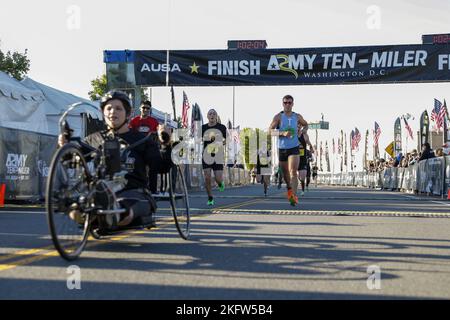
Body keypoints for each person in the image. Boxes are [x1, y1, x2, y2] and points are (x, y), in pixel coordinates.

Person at [60, 90, 162, 228]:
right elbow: (72, 162)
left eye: (118, 108)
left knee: (125, 210)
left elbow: (160, 166)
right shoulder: (94, 139)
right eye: (108, 108)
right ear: (103, 113)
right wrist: (64, 147)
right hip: (102, 190)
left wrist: (166, 144)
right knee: (75, 210)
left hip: (134, 193)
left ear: (128, 113)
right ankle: (100, 212)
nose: (112, 112)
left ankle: (111, 213)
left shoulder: (142, 140)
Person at [269, 95, 308, 206]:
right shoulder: (278, 117)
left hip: (294, 147)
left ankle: (294, 197)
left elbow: (306, 125)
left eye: (289, 102)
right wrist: (282, 133)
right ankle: (289, 189)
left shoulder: (297, 116)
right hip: (282, 148)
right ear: (282, 104)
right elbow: (270, 131)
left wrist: (302, 131)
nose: (287, 104)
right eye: (285, 102)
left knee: (293, 172)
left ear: (293, 104)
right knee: (286, 174)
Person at [129, 100, 160, 194]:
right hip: (137, 149)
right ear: (140, 108)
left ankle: (153, 190)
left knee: (153, 167)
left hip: (150, 148)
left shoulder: (154, 121)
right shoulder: (134, 121)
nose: (145, 110)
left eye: (148, 108)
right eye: (144, 108)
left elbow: (158, 135)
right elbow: (130, 134)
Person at [202, 109, 227, 206]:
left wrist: (222, 143)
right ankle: (210, 198)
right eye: (210, 114)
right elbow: (197, 139)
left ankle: (220, 183)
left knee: (218, 178)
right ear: (207, 117)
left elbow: (228, 138)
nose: (212, 115)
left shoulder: (221, 127)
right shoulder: (203, 128)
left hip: (218, 155)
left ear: (216, 116)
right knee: (207, 177)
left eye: (214, 114)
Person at [297, 131, 314, 196]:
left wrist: (311, 148)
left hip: (304, 162)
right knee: (296, 176)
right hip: (295, 158)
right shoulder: (293, 135)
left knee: (303, 178)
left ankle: (303, 189)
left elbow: (310, 144)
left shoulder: (307, 151)